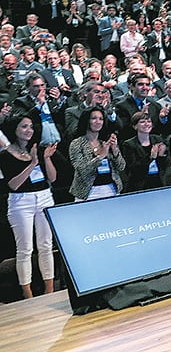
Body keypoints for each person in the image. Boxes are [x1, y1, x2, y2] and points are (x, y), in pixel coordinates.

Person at [0, 113, 57, 298]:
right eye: (24, 126)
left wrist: (46, 158)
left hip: (44, 197)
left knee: (46, 245)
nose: (28, 130)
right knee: (25, 249)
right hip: (20, 201)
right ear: (14, 129)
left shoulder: (38, 149)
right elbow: (13, 185)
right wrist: (33, 164)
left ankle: (50, 289)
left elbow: (53, 178)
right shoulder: (5, 154)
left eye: (31, 127)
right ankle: (28, 293)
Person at [69, 105, 124, 201]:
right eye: (94, 118)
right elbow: (82, 170)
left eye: (101, 119)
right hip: (88, 192)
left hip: (112, 190)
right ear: (87, 120)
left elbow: (121, 167)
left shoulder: (105, 142)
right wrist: (100, 156)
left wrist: (115, 151)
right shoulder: (77, 143)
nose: (98, 122)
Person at [120, 111, 169, 192]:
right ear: (135, 126)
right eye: (142, 122)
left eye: (149, 121)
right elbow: (133, 168)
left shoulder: (157, 139)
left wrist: (161, 156)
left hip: (158, 182)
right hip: (138, 185)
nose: (147, 124)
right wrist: (151, 157)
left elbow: (165, 165)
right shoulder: (128, 144)